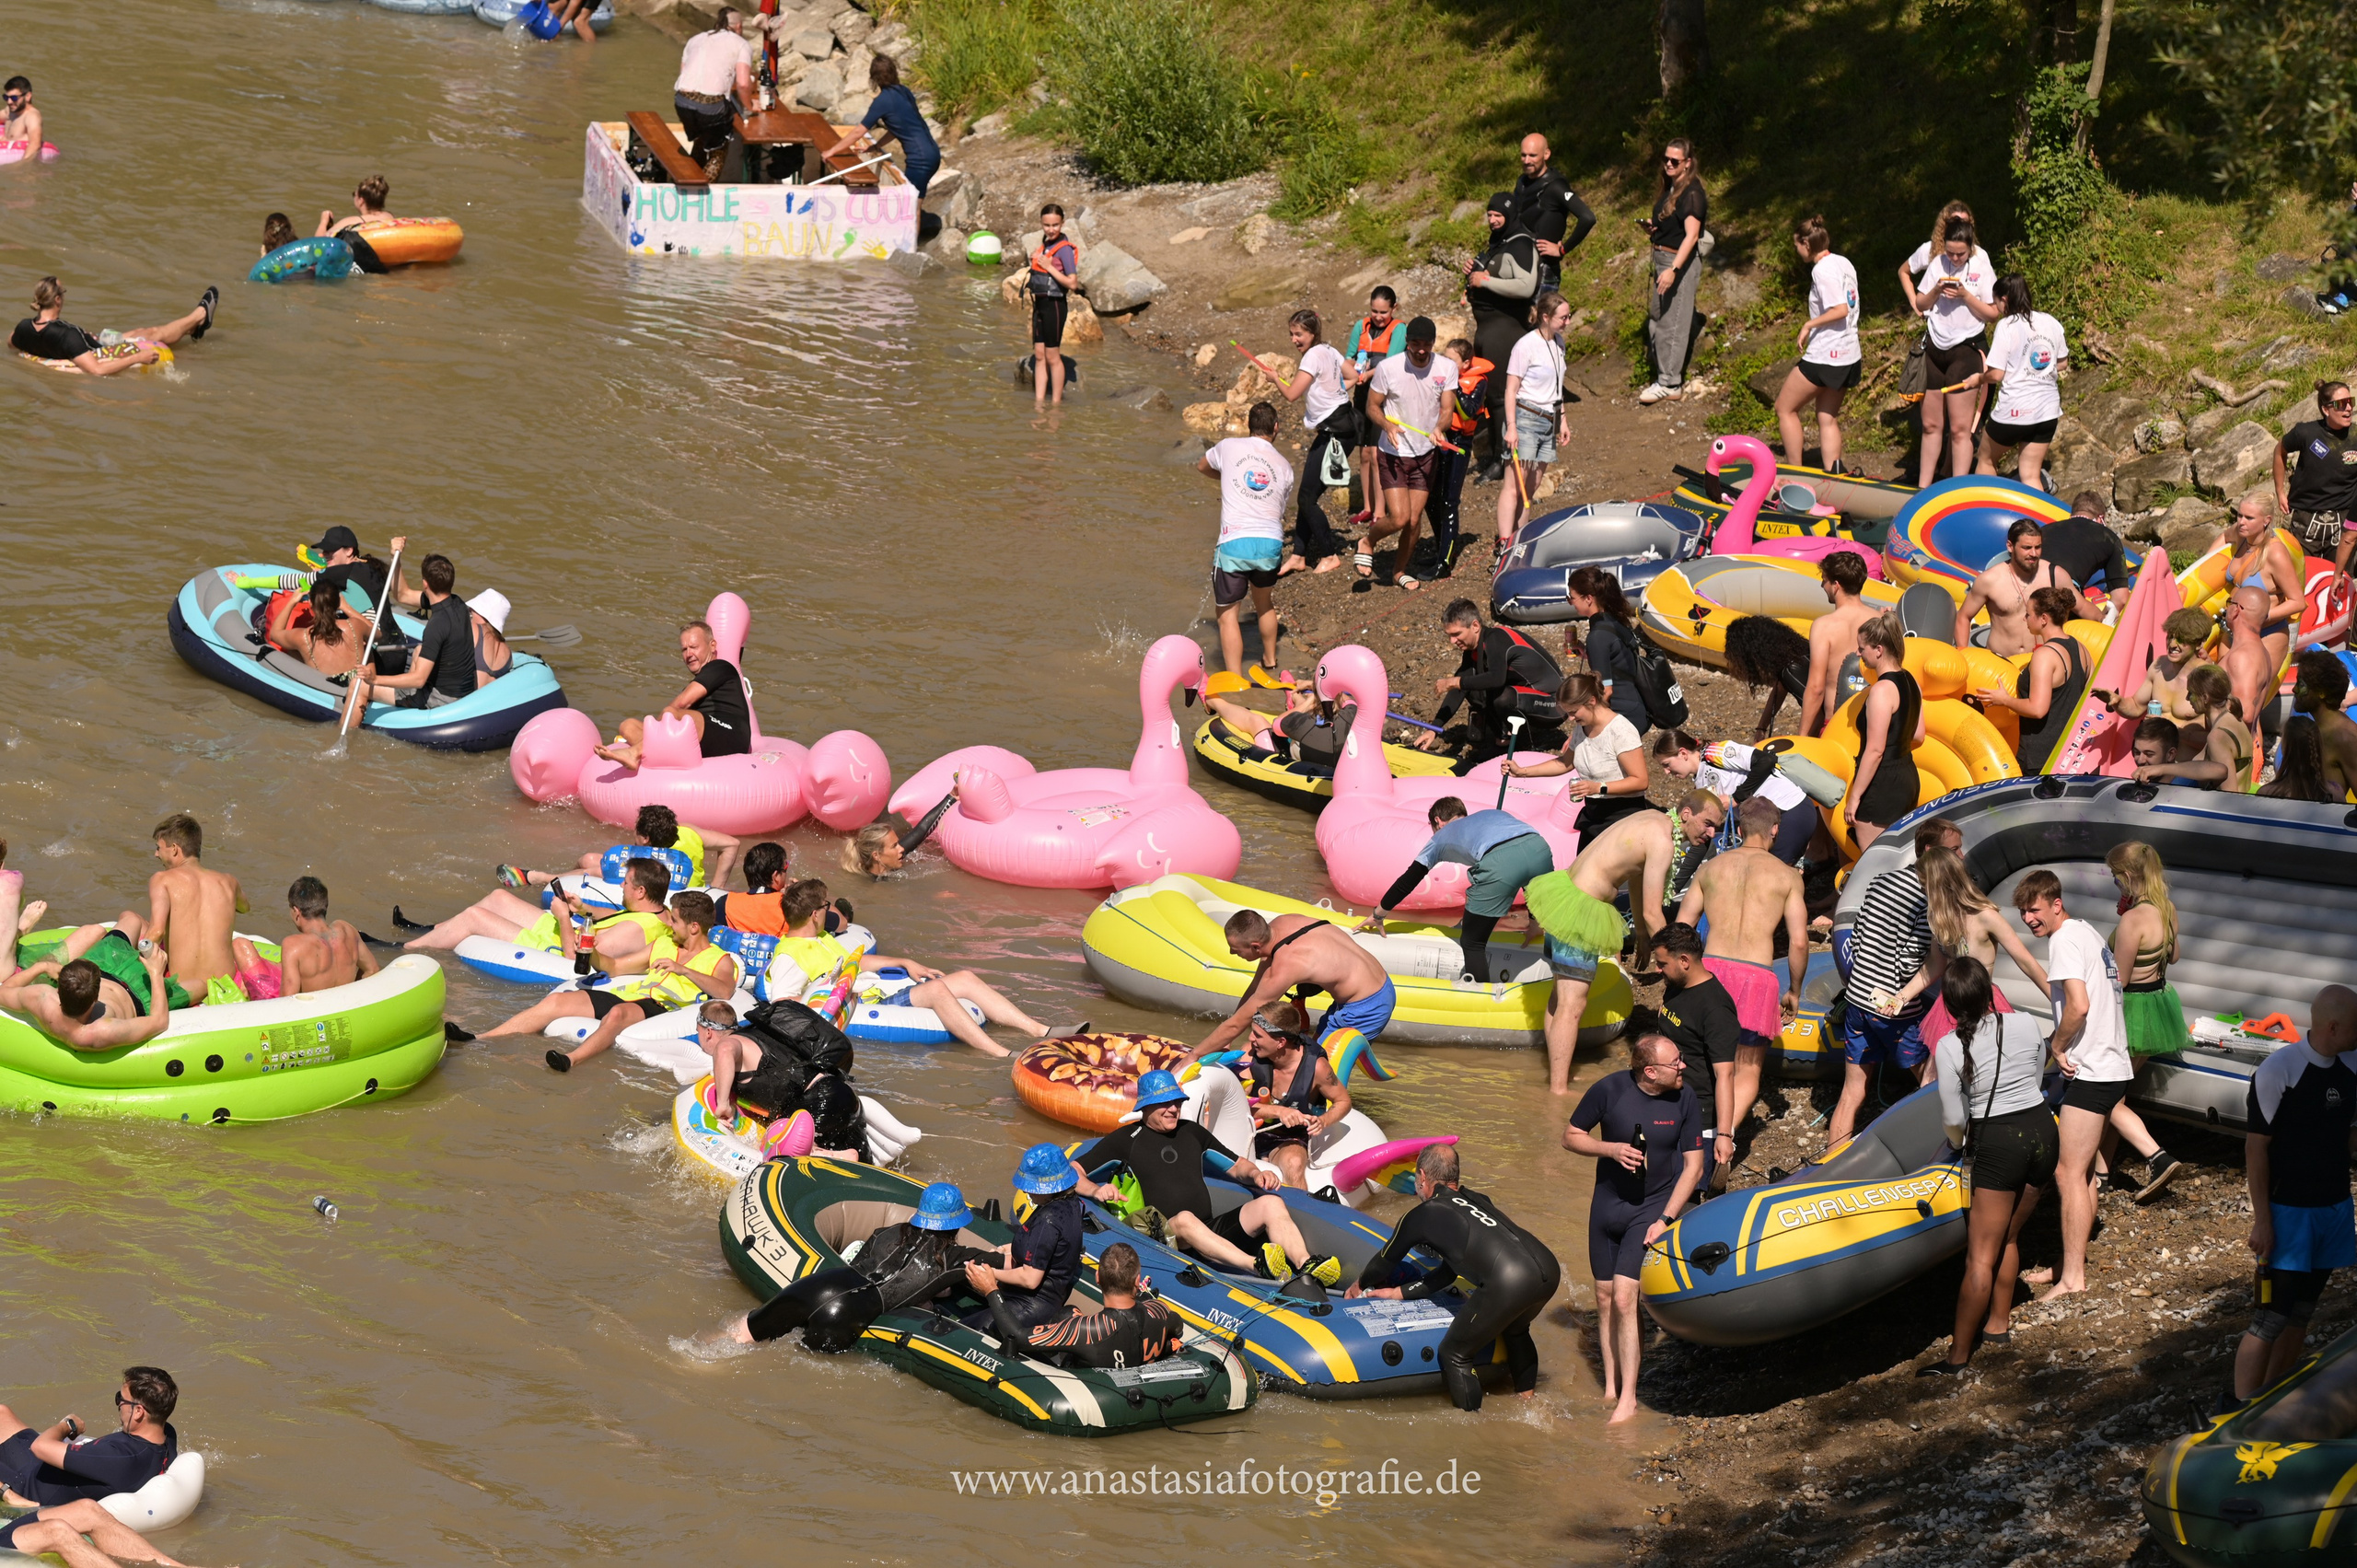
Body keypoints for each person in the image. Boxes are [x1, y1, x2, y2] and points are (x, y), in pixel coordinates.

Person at [2013, 868, 2167, 1298]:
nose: (2029, 919)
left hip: (2093, 1068)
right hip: (2112, 1065)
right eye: (2024, 912)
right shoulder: (2086, 932)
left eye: (2035, 909)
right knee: (2081, 1175)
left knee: (2067, 1173)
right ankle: (2067, 1262)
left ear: (2056, 903)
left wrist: (2056, 1047)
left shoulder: (2064, 940)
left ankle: (2073, 1278)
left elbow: (2077, 1007)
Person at [1347, 1143, 1562, 1411]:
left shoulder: (1422, 1214)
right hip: (1547, 1269)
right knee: (1516, 1329)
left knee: (1455, 1353)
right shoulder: (1480, 1200)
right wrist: (1399, 1293)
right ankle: (1530, 1405)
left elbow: (1384, 1260)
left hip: (1510, 1281)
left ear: (1423, 1176)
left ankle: (1474, 1431)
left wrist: (1359, 1284)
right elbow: (1451, 1272)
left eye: (1416, 1178)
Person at [1920, 958, 2055, 1375]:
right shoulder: (2028, 1022)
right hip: (2043, 1132)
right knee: (2011, 1235)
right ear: (1988, 989)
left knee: (1979, 1257)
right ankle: (1998, 1324)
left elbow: (1954, 1118)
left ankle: (1957, 1358)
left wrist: (1959, 1145)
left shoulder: (1949, 1045)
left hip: (1999, 1143)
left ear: (1948, 1003)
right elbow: (2035, 1080)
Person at [1073, 1071, 1336, 1283]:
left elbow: (1236, 1165)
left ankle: (1306, 1264)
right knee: (1186, 1219)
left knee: (1271, 1203)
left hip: (1209, 1228)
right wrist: (1095, 1191)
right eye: (1166, 1103)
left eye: (1177, 1102)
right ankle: (1256, 1266)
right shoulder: (1124, 1140)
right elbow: (1074, 1170)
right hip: (1166, 1238)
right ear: (1146, 1106)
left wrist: (1257, 1173)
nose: (1174, 1109)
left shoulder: (1192, 1132)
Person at [1563, 1033, 1705, 1421]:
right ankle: (1610, 1387)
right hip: (1607, 1205)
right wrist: (1610, 1149)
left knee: (1626, 1298)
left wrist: (1665, 1219)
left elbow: (1694, 1167)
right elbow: (1570, 1136)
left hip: (1653, 1207)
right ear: (1650, 1071)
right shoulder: (1609, 1090)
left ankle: (1628, 1397)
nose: (1683, 1067)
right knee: (1605, 1296)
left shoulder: (1685, 1098)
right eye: (1675, 1062)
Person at [765, 877, 1062, 1056]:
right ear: (816, 914)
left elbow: (857, 962)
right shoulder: (789, 957)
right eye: (826, 905)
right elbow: (783, 1005)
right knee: (935, 989)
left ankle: (1038, 1030)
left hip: (876, 992)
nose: (829, 909)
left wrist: (903, 962)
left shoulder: (821, 938)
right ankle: (998, 1053)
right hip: (860, 1006)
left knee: (965, 978)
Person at [2232, 984, 2357, 1402]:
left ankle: (2274, 1398)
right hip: (2289, 1213)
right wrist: (2263, 1220)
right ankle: (2236, 1415)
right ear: (2334, 1026)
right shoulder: (2279, 1070)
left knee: (2301, 1314)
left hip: (2334, 1208)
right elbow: (2256, 1147)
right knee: (2270, 1317)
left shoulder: (2351, 1064)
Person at [1523, 803, 1693, 1093]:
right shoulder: (1663, 842)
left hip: (1564, 894)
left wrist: (1641, 933)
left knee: (1560, 998)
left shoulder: (1652, 820)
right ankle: (1557, 1091)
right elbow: (1654, 913)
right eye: (1708, 823)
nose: (1711, 833)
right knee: (1572, 1005)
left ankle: (1557, 1076)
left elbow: (1637, 877)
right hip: (1580, 910)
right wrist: (1673, 960)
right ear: (1688, 815)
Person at [1675, 795, 1805, 1156]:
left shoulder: (1711, 868)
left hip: (1709, 971)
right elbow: (1797, 942)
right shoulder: (1787, 876)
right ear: (1775, 830)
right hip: (1756, 978)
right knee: (1746, 1070)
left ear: (1741, 828)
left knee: (1699, 1059)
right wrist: (1794, 990)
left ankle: (1687, 1132)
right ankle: (1723, 1136)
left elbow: (1682, 928)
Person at [481, 888, 731, 1071]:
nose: (670, 925)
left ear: (694, 927)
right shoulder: (664, 943)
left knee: (618, 1014)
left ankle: (570, 1060)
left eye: (674, 921)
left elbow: (725, 991)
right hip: (630, 995)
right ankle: (482, 1039)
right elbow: (614, 968)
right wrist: (592, 953)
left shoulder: (719, 959)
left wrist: (683, 970)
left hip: (662, 1007)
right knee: (557, 1000)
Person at [1828, 816, 1960, 1146]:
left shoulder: (1881, 880)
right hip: (1892, 1006)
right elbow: (1913, 959)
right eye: (1955, 850)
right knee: (1930, 1081)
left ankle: (1829, 1163)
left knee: (1853, 1090)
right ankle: (1931, 1150)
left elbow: (1857, 938)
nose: (1961, 857)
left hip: (1858, 996)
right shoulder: (1927, 896)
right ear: (1930, 851)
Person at [0, 1367, 185, 1561]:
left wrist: (68, 1425)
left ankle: (4, 1490)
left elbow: (41, 1446)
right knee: (2, 1412)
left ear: (138, 1412)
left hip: (28, 1488)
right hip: (38, 1469)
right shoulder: (166, 1436)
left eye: (120, 1400)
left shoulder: (119, 1458)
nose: (119, 1405)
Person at [1362, 797, 1551, 984]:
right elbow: (1525, 865)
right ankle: (1559, 973)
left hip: (1500, 862)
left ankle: (1481, 1000)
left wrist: (1378, 914)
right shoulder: (1492, 813)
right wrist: (1535, 921)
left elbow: (1408, 881)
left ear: (1437, 821)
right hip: (1539, 847)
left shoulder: (1439, 838)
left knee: (1472, 942)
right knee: (1550, 920)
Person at [1889, 845, 2049, 1063]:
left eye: (1925, 886)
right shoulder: (1939, 918)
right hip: (1950, 1005)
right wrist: (1901, 997)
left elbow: (2026, 962)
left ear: (1938, 885)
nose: (1923, 891)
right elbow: (1935, 964)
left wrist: (2059, 1001)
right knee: (1936, 1072)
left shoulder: (1985, 915)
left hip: (1982, 1006)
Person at [1180, 909, 1394, 1067]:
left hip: (1368, 1006)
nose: (1231, 954)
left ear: (1255, 946)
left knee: (1316, 1069)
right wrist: (1225, 1043)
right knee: (1312, 1051)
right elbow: (1255, 990)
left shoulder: (1287, 965)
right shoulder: (1282, 925)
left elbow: (1237, 1025)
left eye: (1235, 950)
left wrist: (1194, 1056)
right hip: (1369, 986)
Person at [402, 854, 675, 970]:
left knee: (475, 916)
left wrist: (564, 917)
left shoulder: (635, 932)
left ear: (640, 891)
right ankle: (434, 930)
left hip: (552, 947)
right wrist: (583, 908)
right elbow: (618, 918)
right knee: (499, 897)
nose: (622, 887)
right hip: (560, 930)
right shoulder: (658, 912)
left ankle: (405, 948)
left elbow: (574, 956)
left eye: (627, 883)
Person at [2107, 843, 2196, 1170]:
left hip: (2130, 1011)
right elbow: (2173, 956)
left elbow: (2121, 979)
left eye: (2116, 878)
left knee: (2105, 1096)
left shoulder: (2133, 919)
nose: (2115, 884)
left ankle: (2158, 1158)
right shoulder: (2167, 907)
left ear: (2129, 876)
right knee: (2118, 1094)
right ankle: (2102, 1170)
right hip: (2158, 1004)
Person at [106, 814, 248, 1007]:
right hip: (227, 988)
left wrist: (128, 967)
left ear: (174, 850)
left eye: (158, 848)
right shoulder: (229, 882)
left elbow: (156, 932)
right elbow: (245, 908)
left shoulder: (162, 879)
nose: (156, 854)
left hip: (186, 989)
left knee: (134, 920)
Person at [1361, 318, 1458, 591]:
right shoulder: (1388, 368)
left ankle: (1398, 570)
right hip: (1394, 452)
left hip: (1426, 453)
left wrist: (1439, 429)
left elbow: (1447, 410)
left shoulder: (1446, 367)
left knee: (1414, 521)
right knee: (1400, 517)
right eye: (1416, 343)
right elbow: (1372, 407)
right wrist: (1387, 425)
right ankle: (1368, 542)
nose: (1421, 349)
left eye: (1427, 344)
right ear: (1407, 342)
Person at [975, 1240, 1182, 1367]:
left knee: (1067, 1314)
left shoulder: (1085, 1330)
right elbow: (1178, 1327)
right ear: (1137, 1281)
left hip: (1087, 1389)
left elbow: (1016, 1337)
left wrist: (991, 1290)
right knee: (1071, 1313)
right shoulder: (1160, 1310)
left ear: (1098, 1279)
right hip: (1131, 1376)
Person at [1906, 213, 2002, 486]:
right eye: (1951, 253)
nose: (1955, 259)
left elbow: (1993, 314)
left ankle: (1957, 490)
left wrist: (1965, 296)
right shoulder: (1938, 263)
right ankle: (1923, 488)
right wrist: (1936, 290)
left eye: (1960, 254)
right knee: (1931, 425)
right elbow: (1921, 304)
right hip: (1936, 348)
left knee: (1960, 429)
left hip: (1966, 349)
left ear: (1970, 249)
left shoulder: (1981, 268)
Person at [1200, 401, 1294, 678]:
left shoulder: (1229, 446)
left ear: (1248, 425)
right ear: (1275, 428)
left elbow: (1202, 465)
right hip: (1270, 543)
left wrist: (1226, 477)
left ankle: (1235, 679)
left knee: (1228, 615)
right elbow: (1279, 508)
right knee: (1264, 603)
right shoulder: (1285, 466)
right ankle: (1270, 660)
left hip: (1235, 543)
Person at [1421, 598, 1565, 773]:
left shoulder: (1496, 638)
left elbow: (1496, 678)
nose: (1452, 641)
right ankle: (1502, 742)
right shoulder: (1472, 649)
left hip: (1557, 705)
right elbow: (1459, 688)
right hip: (1531, 699)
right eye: (1449, 635)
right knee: (1473, 685)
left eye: (1456, 634)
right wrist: (1434, 728)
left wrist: (1456, 681)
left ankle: (1524, 749)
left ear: (1475, 625)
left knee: (1502, 696)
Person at [956, 1143, 1086, 1332]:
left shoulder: (1048, 1220)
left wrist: (990, 1275)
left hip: (1029, 1306)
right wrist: (1008, 1248)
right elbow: (1045, 1246)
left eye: (1031, 1186)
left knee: (961, 1331)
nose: (1026, 1191)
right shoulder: (1070, 1203)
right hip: (1040, 1299)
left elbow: (1030, 1278)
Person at [1651, 923, 1743, 1187]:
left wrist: (1725, 1135)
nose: (1658, 970)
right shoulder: (1676, 984)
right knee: (1662, 1187)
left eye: (1662, 964)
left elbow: (1724, 1074)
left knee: (1691, 1196)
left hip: (1698, 1114)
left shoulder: (1716, 1008)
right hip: (1667, 1101)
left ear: (1684, 960)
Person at [1505, 672, 1653, 838]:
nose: (1570, 718)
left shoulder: (1620, 731)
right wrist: (1522, 771)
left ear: (1592, 701)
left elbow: (1640, 781)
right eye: (1567, 712)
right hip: (1593, 814)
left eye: (1574, 712)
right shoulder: (1581, 727)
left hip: (1622, 816)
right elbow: (1564, 763)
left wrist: (1599, 787)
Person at [592, 620, 751, 771]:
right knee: (628, 725)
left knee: (672, 713)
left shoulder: (720, 667)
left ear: (712, 645)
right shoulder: (695, 683)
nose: (688, 654)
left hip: (732, 735)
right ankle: (656, 754)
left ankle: (634, 753)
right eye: (684, 649)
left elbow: (680, 705)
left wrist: (660, 728)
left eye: (694, 647)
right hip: (707, 735)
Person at [341, 552, 478, 722]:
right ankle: (406, 701)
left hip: (441, 699)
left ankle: (344, 743)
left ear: (425, 584)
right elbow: (403, 594)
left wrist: (375, 679)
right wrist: (395, 558)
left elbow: (419, 680)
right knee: (419, 650)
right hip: (461, 691)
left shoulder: (436, 625)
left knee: (357, 685)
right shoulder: (459, 603)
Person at [498, 804, 737, 900]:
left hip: (664, 892)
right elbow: (732, 844)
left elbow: (593, 871)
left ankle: (541, 878)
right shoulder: (689, 832)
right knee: (590, 858)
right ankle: (554, 881)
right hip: (692, 885)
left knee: (590, 868)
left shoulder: (646, 861)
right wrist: (716, 888)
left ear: (645, 839)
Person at [1774, 215, 1860, 471]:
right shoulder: (1843, 262)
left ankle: (1795, 473)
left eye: (1796, 245)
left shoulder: (1821, 270)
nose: (1796, 250)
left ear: (1806, 244)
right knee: (1827, 417)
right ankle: (1834, 475)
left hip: (1826, 356)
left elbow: (1841, 309)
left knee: (1785, 408)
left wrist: (1808, 325)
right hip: (1849, 355)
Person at [1655, 729, 1815, 865]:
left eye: (1666, 764)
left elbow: (1766, 760)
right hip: (1770, 822)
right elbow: (1709, 830)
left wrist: (1736, 798)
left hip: (1790, 811)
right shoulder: (1700, 781)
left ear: (1682, 753)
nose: (1666, 772)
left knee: (1771, 881)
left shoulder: (1714, 753)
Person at [1464, 195, 1540, 477]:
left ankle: (1504, 459)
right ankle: (1497, 453)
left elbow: (1525, 285)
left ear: (1510, 214)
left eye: (1498, 215)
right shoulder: (1500, 241)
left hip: (1505, 329)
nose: (1493, 220)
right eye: (1490, 215)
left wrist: (1485, 280)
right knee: (1491, 396)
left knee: (1500, 396)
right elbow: (1495, 274)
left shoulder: (1521, 242)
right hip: (1488, 327)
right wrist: (1474, 274)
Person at [1974, 587, 2086, 775]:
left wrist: (2004, 700)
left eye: (2028, 614)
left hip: (2041, 758)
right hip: (2071, 754)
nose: (2024, 619)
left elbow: (2037, 709)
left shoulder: (2045, 655)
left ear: (2043, 619)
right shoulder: (2080, 648)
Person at [1274, 308, 1353, 574]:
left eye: (1299, 334)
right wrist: (1335, 393)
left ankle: (1330, 555)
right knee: (1308, 494)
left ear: (1312, 333)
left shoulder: (1312, 356)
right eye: (1291, 334)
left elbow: (1292, 394)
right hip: (1344, 425)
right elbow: (1352, 376)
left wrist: (1275, 379)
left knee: (1307, 498)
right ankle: (1298, 555)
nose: (1294, 340)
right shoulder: (1328, 349)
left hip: (1335, 433)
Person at [1240, 1003, 1352, 1189]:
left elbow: (1343, 1101)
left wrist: (1323, 1121)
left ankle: (1300, 1213)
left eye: (1258, 1035)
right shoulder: (1248, 1055)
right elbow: (1238, 1104)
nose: (1251, 1038)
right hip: (1248, 1131)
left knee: (1294, 1163)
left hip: (1286, 1139)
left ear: (1281, 1042)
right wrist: (1279, 1111)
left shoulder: (1317, 1068)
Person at [11, 275, 215, 376]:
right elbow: (97, 370)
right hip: (99, 352)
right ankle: (199, 316)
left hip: (89, 343)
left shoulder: (23, 327)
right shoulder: (67, 335)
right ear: (57, 300)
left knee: (137, 332)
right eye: (63, 293)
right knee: (152, 334)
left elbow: (12, 344)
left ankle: (194, 326)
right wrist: (138, 357)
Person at [1975, 274, 2069, 491]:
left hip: (2015, 412)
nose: (1997, 308)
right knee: (2030, 475)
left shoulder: (2006, 326)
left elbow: (1996, 374)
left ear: (2004, 300)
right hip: (2047, 412)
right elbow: (2062, 363)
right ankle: (2035, 524)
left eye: (1996, 302)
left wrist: (1977, 379)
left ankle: (1986, 512)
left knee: (1986, 459)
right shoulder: (2050, 322)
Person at [1841, 613, 1925, 849]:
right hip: (1907, 776)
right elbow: (1918, 735)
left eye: (1861, 648)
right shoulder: (1912, 681)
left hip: (1881, 786)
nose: (1858, 654)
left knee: (1875, 865)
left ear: (1878, 649)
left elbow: (1876, 750)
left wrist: (1855, 796)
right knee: (1900, 856)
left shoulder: (1881, 690)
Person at [1498, 292, 1573, 552]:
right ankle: (1504, 544)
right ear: (1545, 317)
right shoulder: (1525, 345)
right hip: (1525, 416)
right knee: (1514, 486)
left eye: (1568, 316)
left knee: (1531, 488)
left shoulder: (1559, 343)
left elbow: (1557, 387)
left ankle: (1519, 543)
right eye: (1563, 317)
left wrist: (1562, 421)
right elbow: (1510, 389)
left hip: (1548, 419)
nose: (1568, 322)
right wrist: (1512, 427)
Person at [226, 877, 377, 1002]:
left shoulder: (294, 945)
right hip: (341, 1002)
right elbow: (372, 970)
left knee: (240, 945)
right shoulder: (347, 930)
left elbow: (286, 1001)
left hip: (309, 1011)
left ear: (296, 912)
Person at [1636, 138, 1705, 406]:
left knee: (1672, 322)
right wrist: (1655, 227)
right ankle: (1663, 375)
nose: (1668, 164)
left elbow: (1692, 235)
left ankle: (1669, 382)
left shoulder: (1691, 194)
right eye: (1666, 159)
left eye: (1674, 161)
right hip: (1663, 256)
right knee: (1657, 317)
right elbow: (1674, 223)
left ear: (1688, 162)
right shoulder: (1673, 187)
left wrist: (1674, 269)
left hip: (1678, 262)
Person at [2221, 491, 2308, 691]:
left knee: (2248, 701)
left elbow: (2298, 602)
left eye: (2249, 518)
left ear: (2266, 521)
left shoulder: (2275, 553)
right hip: (2231, 630)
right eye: (2239, 515)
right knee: (2221, 695)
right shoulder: (2241, 534)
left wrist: (2261, 616)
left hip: (2267, 633)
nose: (2241, 521)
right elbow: (2223, 537)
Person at [821, 54, 939, 200]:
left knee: (908, 206)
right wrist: (877, 146)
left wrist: (831, 151)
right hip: (933, 153)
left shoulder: (883, 101)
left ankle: (915, 223)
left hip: (919, 160)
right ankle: (918, 223)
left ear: (874, 78)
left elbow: (859, 132)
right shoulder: (905, 92)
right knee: (914, 204)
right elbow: (898, 130)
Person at [1956, 518, 2077, 656]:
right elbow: (1963, 617)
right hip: (2000, 662)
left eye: (2038, 547)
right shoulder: (1989, 580)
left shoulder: (2055, 574)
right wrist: (1963, 656)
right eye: (2027, 548)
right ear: (2010, 546)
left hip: (2041, 660)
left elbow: (2084, 608)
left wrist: (2106, 619)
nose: (2034, 553)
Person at [2274, 378, 2357, 573]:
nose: (2348, 408)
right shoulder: (2306, 433)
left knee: (2339, 578)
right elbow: (2280, 451)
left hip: (2343, 519)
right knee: (2301, 576)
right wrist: (2280, 490)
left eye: (2350, 402)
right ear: (2326, 409)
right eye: (2340, 404)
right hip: (2306, 517)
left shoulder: (2356, 435)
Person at [1341, 286, 1407, 527]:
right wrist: (1348, 375)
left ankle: (1381, 510)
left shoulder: (1399, 329)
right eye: (1374, 311)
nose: (1378, 316)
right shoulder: (1361, 326)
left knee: (1379, 453)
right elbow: (1349, 356)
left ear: (1393, 309)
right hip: (1361, 393)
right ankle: (1367, 508)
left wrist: (1367, 374)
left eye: (1383, 312)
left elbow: (1391, 363)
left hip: (1382, 397)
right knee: (1365, 453)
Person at [1562, 565, 1651, 738]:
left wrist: (1580, 732)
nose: (1571, 603)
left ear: (1588, 598)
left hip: (1624, 715)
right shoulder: (1616, 620)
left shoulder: (1597, 637)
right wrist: (1589, 654)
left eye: (1571, 598)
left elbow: (1606, 691)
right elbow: (1619, 659)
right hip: (1638, 705)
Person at [1799, 551, 1879, 737]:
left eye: (1824, 580)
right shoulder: (1880, 620)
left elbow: (1816, 689)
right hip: (1872, 726)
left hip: (1836, 725)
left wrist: (1801, 737)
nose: (1822, 584)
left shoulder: (1824, 626)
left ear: (1836, 585)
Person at [1508, 133, 1595, 300]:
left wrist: (1563, 249)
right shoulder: (1522, 182)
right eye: (1523, 155)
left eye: (1532, 155)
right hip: (1519, 265)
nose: (1527, 161)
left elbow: (1588, 217)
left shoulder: (1556, 186)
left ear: (1546, 154)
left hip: (1544, 268)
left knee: (1542, 323)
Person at [2095, 607, 2217, 725]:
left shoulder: (2210, 679)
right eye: (2170, 637)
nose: (2172, 644)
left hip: (2186, 746)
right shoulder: (2159, 666)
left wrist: (2169, 726)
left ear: (2198, 643)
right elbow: (2136, 706)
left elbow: (2218, 735)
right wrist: (2117, 702)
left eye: (2181, 639)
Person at [1202, 682, 1356, 775]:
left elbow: (1278, 723)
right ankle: (1295, 697)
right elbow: (1347, 701)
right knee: (1314, 710)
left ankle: (1212, 700)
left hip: (1300, 758)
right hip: (1331, 758)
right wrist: (1315, 687)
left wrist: (1309, 700)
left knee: (1256, 721)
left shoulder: (1305, 725)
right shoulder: (1351, 715)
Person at [673, 8, 756, 176]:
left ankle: (691, 182)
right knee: (718, 152)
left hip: (682, 101)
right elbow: (743, 84)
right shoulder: (741, 44)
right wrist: (751, 106)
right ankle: (702, 195)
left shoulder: (695, 39)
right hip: (710, 105)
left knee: (701, 139)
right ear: (739, 26)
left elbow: (684, 73)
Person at [1724, 613, 1816, 739]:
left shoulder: (1791, 671)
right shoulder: (1797, 653)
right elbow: (1779, 690)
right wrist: (1761, 728)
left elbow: (1817, 710)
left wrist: (1804, 741)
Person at [2165, 664, 2255, 791]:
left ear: (2205, 698)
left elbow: (2229, 794)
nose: (2187, 698)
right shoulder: (2235, 719)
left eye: (2191, 693)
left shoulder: (2218, 737)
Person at [2044, 492, 2135, 615]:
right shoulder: (2108, 537)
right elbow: (2121, 599)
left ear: (2072, 514)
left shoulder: (2044, 529)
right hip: (2062, 598)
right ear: (2101, 518)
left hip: (2027, 589)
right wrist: (2101, 620)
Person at [1025, 203, 1081, 404]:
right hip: (1040, 305)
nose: (1051, 229)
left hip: (1055, 305)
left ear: (1062, 223)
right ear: (1041, 224)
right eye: (1047, 225)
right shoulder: (1045, 245)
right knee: (1039, 355)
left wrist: (1048, 266)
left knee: (1052, 356)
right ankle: (1039, 404)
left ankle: (1056, 404)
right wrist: (1036, 260)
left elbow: (1072, 283)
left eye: (1055, 225)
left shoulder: (1064, 250)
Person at [843, 785, 958, 877]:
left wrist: (951, 797)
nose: (902, 848)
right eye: (894, 846)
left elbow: (922, 830)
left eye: (898, 843)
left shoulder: (890, 859)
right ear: (876, 856)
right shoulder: (869, 885)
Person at [264, 577, 370, 678]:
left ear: (310, 602)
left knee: (292, 650)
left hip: (323, 686)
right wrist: (346, 607)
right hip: (355, 684)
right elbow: (377, 634)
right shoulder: (354, 625)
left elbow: (274, 634)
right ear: (338, 602)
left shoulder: (303, 637)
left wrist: (292, 602)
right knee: (365, 644)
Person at [2219, 587, 2278, 755]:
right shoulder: (2259, 650)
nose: (2226, 609)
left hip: (2236, 757)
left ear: (2237, 610)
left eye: (2229, 604)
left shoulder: (2243, 657)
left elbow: (2245, 714)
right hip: (2244, 750)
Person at [2292, 648, 2357, 798]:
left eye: (2301, 684)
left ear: (2322, 692)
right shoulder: (2315, 728)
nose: (2294, 690)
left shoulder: (2346, 737)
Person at [467, 590, 513, 688]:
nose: (470, 611)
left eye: (472, 611)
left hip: (467, 698)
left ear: (483, 615)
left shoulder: (474, 630)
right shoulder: (507, 652)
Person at [2, 76, 44, 164]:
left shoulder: (32, 116)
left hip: (14, 162)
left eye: (14, 98)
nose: (9, 102)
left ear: (27, 96)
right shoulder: (10, 111)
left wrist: (20, 166)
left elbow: (35, 145)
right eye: (6, 97)